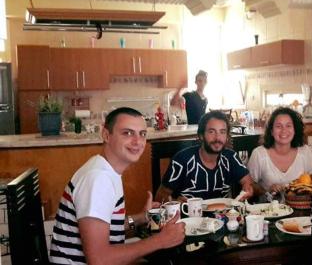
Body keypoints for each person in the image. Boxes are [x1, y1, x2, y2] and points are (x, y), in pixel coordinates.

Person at [49, 107, 185, 264]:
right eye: (127, 133)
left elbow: (106, 227)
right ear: (106, 135)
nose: (137, 141)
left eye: (142, 134)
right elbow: (99, 260)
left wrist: (143, 218)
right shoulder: (98, 179)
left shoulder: (105, 170)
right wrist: (160, 240)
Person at [155, 110, 254, 202]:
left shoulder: (230, 157)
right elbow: (160, 197)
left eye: (222, 132)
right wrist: (174, 202)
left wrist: (247, 188)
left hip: (222, 218)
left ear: (227, 137)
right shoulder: (182, 160)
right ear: (201, 135)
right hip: (188, 219)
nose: (217, 138)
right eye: (211, 131)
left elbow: (248, 183)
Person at [247, 107, 312, 200]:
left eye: (288, 126)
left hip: (300, 208)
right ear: (271, 131)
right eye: (278, 126)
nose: (284, 130)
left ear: (295, 130)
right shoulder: (259, 154)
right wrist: (267, 190)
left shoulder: (305, 151)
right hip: (268, 210)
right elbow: (250, 185)